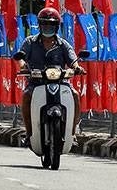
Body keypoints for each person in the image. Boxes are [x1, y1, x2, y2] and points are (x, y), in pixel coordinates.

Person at [15, 8, 84, 144]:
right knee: (26, 96)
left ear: (56, 26)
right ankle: (29, 134)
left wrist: (77, 68)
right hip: (36, 82)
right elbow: (20, 57)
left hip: (61, 83)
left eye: (51, 25)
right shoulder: (30, 42)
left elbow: (73, 60)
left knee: (75, 95)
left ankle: (73, 132)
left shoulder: (63, 44)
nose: (48, 27)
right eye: (45, 24)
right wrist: (23, 65)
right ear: (40, 26)